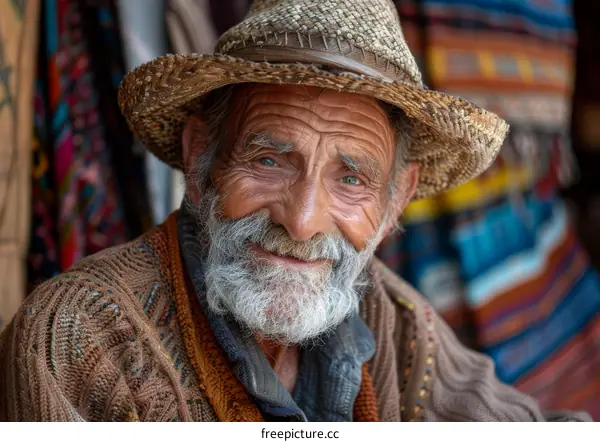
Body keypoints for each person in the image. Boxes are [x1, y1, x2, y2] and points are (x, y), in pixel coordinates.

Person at [0, 0, 592, 422]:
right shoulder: (77, 338)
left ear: (393, 203)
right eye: (268, 161)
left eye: (352, 179)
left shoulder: (389, 320)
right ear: (202, 157)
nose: (302, 219)